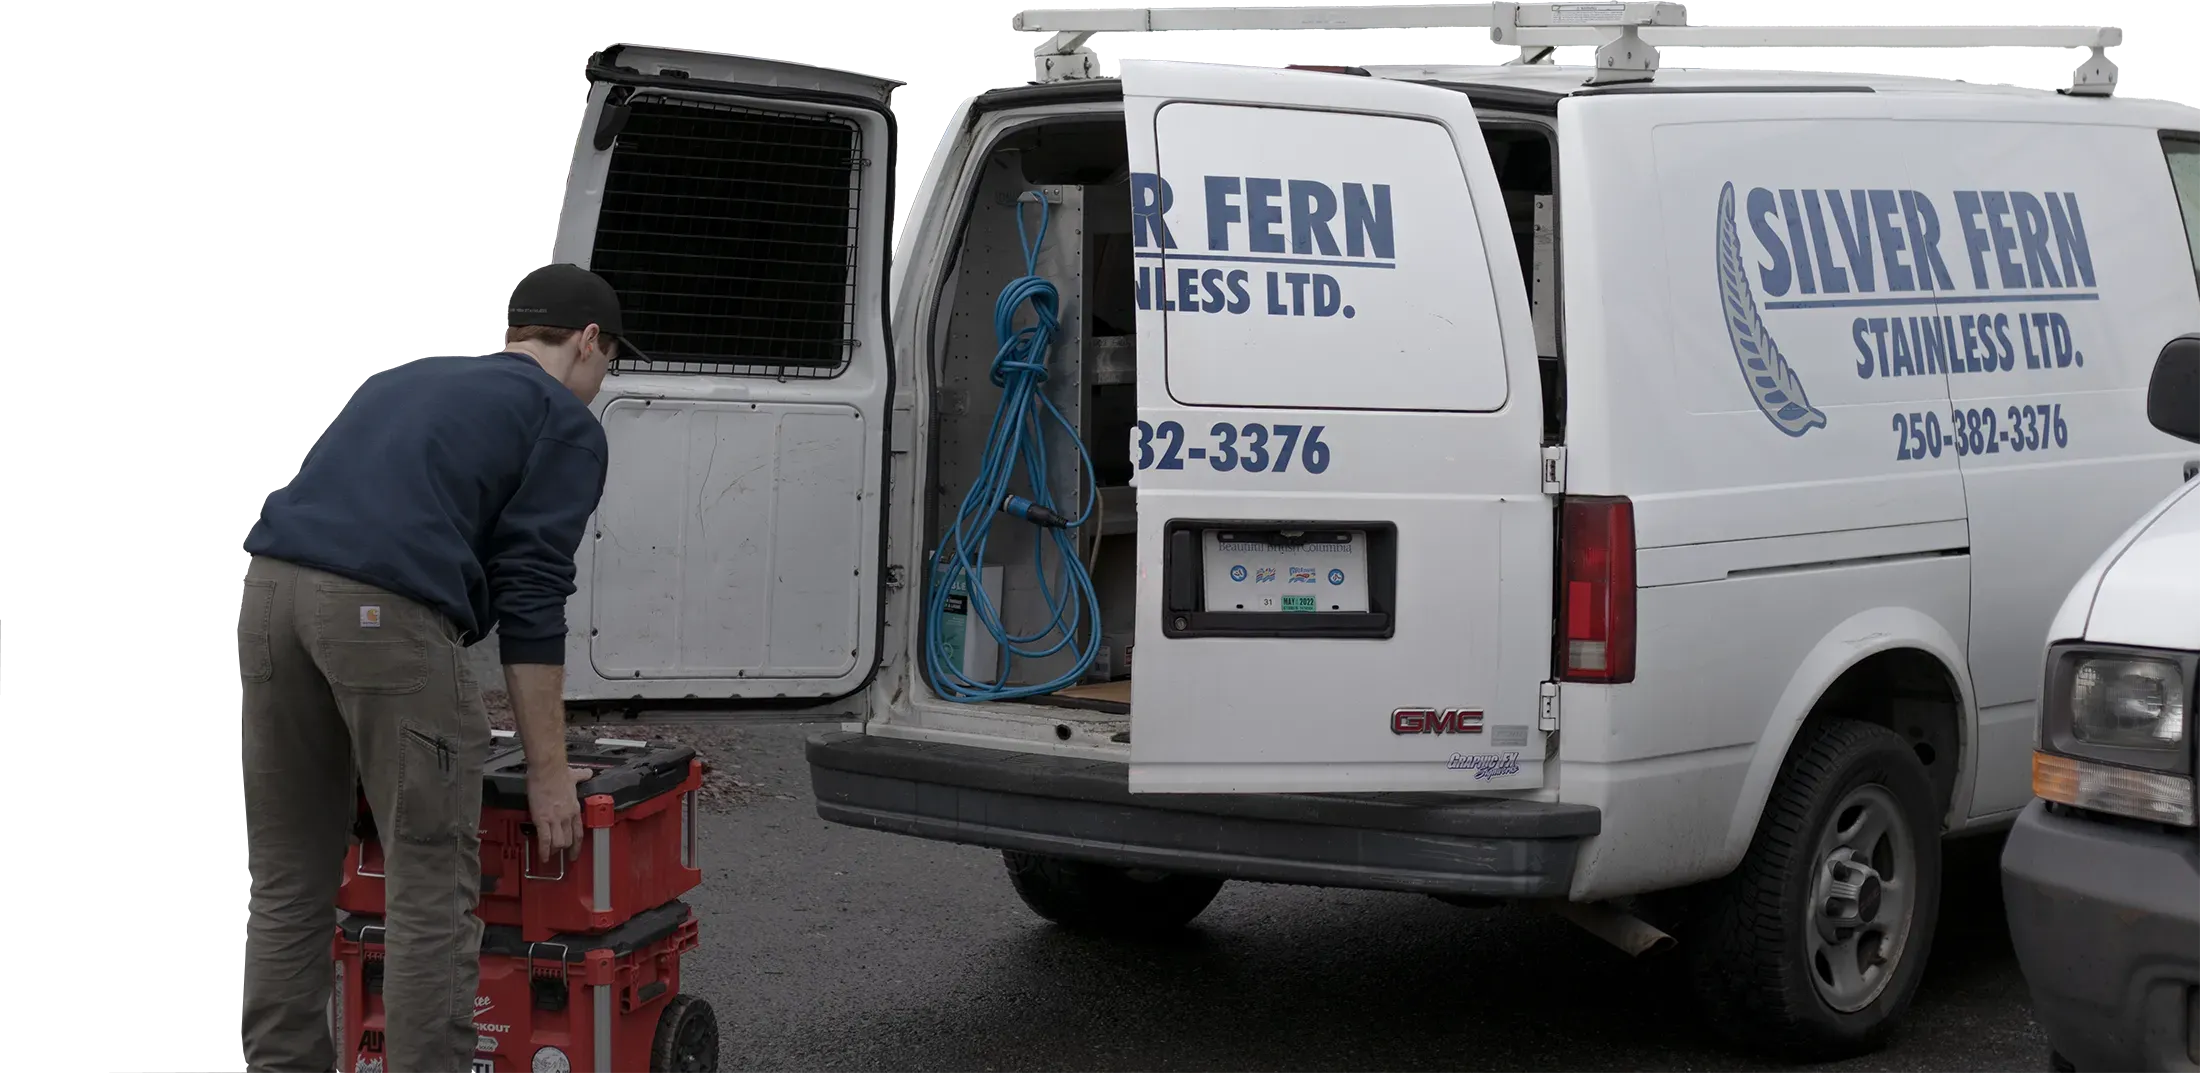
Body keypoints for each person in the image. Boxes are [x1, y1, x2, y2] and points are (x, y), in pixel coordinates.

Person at [236, 264, 631, 1073]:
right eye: (609, 360)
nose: (601, 380)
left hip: (268, 594)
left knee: (286, 879)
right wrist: (550, 774)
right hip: (382, 613)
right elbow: (530, 596)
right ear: (589, 342)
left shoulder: (406, 378)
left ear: (513, 334)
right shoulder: (562, 419)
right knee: (427, 896)